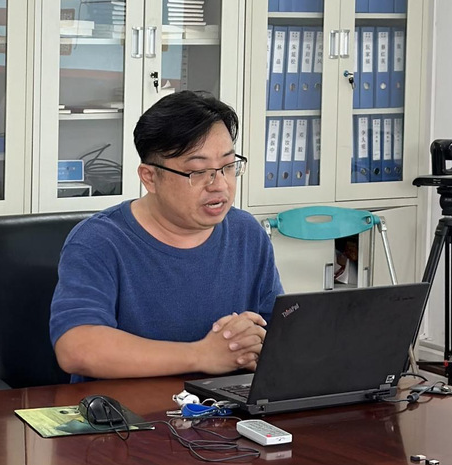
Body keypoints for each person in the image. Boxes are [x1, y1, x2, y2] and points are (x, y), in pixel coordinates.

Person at [50, 90, 284, 383]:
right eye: (198, 171)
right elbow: (77, 349)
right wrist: (202, 355)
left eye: (227, 166)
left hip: (225, 406)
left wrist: (253, 343)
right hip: (127, 410)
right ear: (150, 177)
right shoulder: (99, 241)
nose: (220, 185)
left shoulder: (246, 233)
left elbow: (281, 335)